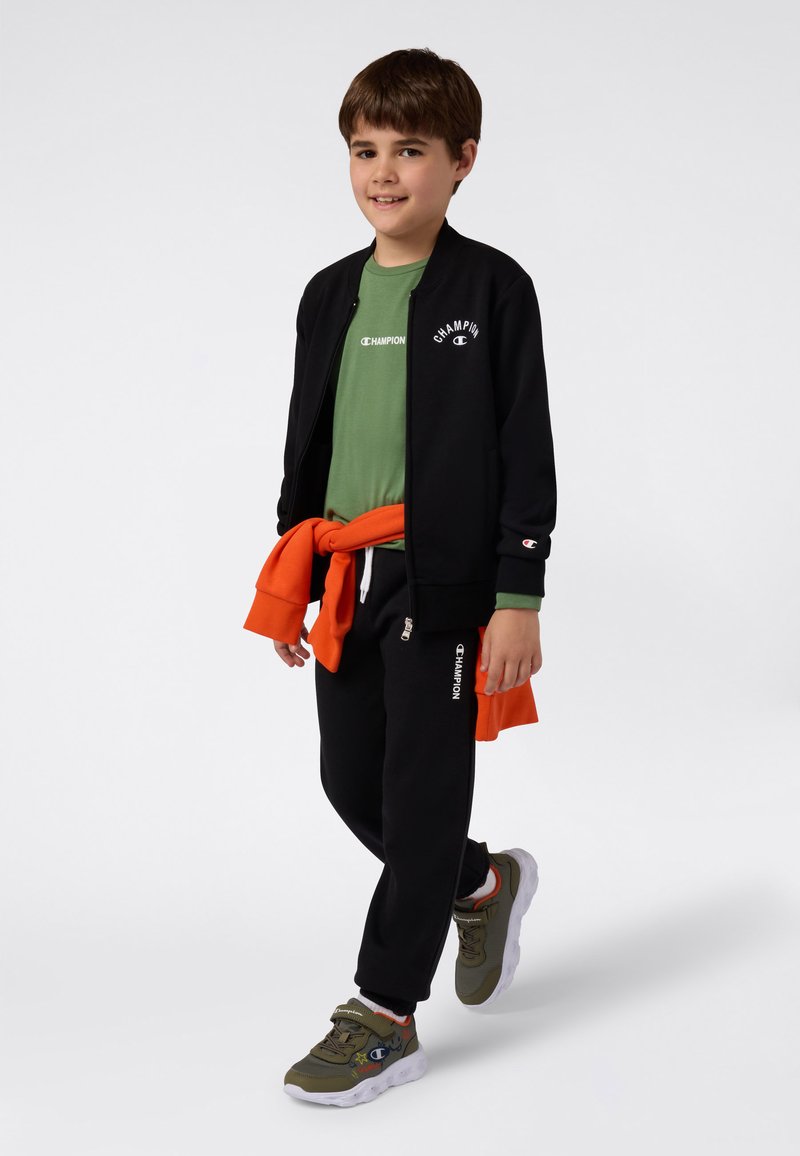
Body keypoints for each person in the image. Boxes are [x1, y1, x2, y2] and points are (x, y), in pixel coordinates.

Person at [243, 46, 557, 1108]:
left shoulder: (491, 287)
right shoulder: (328, 293)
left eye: (410, 150)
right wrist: (291, 567)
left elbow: (525, 447)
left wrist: (517, 595)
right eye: (366, 150)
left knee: (421, 791)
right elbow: (308, 439)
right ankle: (478, 881)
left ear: (462, 160)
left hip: (444, 581)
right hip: (345, 575)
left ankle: (384, 1012)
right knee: (352, 781)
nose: (384, 172)